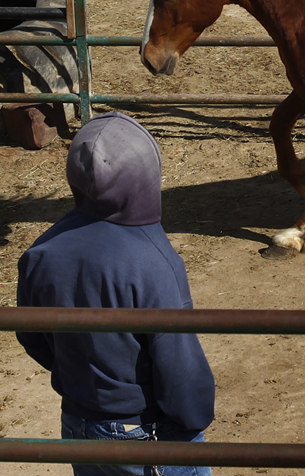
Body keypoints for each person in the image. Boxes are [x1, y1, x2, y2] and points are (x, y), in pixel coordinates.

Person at [17, 111, 215, 476]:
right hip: (145, 432)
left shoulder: (42, 251)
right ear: (145, 177)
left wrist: (83, 381)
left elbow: (32, 336)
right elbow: (178, 363)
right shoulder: (154, 261)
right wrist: (193, 420)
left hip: (79, 423)